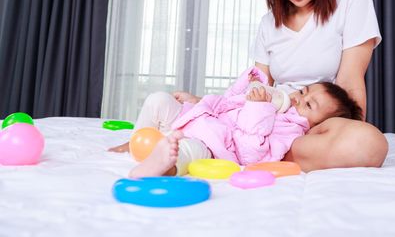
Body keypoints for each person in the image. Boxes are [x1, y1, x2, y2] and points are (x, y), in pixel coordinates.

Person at [173, 0, 388, 172]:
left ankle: (251, 151)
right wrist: (211, 104)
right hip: (267, 120)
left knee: (368, 143)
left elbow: (349, 83)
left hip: (313, 126)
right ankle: (249, 147)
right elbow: (256, 86)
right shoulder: (268, 23)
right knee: (186, 110)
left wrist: (347, 130)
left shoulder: (353, 0)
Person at [109, 67, 362, 178]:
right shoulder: (276, 98)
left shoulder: (290, 131)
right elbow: (229, 101)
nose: (299, 98)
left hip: (215, 144)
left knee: (186, 152)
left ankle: (160, 166)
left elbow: (251, 152)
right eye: (305, 91)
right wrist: (248, 81)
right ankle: (136, 140)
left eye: (308, 105)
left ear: (317, 126)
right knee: (158, 99)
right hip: (199, 118)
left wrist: (258, 107)